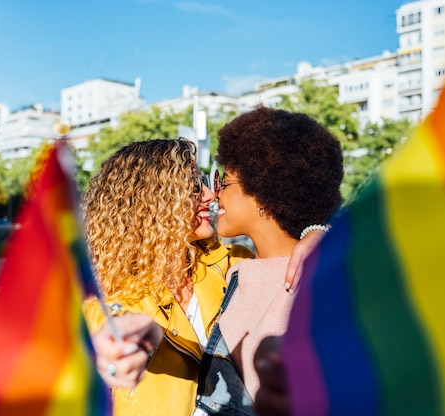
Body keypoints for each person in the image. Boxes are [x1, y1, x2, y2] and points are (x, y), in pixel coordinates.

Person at [82, 138, 322, 416]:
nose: (210, 195)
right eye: (196, 187)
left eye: (206, 182)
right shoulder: (105, 304)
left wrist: (317, 232)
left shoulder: (234, 262)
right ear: (153, 202)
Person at [194, 106, 344, 415]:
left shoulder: (311, 281)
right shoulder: (236, 269)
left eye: (224, 181)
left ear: (262, 193)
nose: (214, 193)